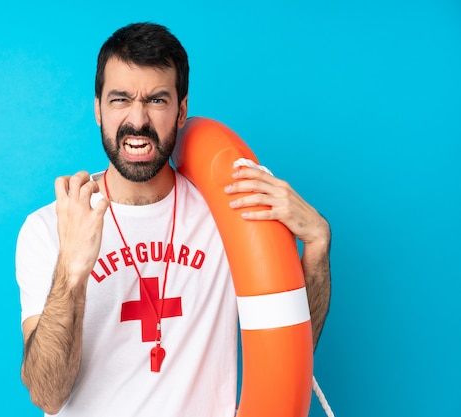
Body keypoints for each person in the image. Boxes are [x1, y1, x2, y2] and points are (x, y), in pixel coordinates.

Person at [16, 22, 331, 416]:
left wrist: (317, 247)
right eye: (120, 100)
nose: (138, 120)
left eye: (157, 100)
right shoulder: (48, 227)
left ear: (181, 111)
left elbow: (290, 353)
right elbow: (47, 394)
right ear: (97, 109)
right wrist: (72, 270)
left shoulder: (229, 215)